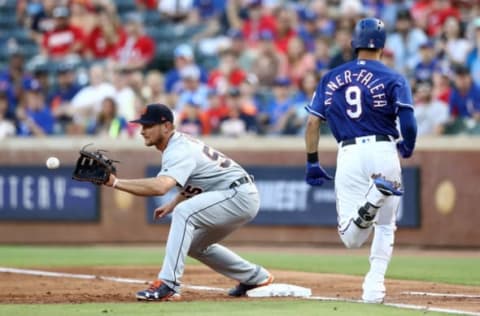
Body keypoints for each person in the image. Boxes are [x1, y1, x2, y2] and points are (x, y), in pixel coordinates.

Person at [104, 103, 274, 301]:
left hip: (237, 194)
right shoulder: (178, 144)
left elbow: (160, 187)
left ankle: (169, 284)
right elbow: (197, 181)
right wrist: (173, 203)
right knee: (194, 245)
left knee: (184, 213)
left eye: (148, 126)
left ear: (166, 126)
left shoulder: (178, 149)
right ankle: (255, 277)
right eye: (142, 126)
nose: (143, 131)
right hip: (236, 194)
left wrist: (115, 182)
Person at [304, 18, 417, 303]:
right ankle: (374, 286)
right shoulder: (394, 77)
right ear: (383, 45)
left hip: (350, 152)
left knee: (351, 239)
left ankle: (372, 201)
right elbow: (409, 122)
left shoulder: (331, 77)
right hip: (384, 149)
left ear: (353, 43)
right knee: (385, 225)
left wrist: (312, 161)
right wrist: (408, 145)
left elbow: (312, 124)